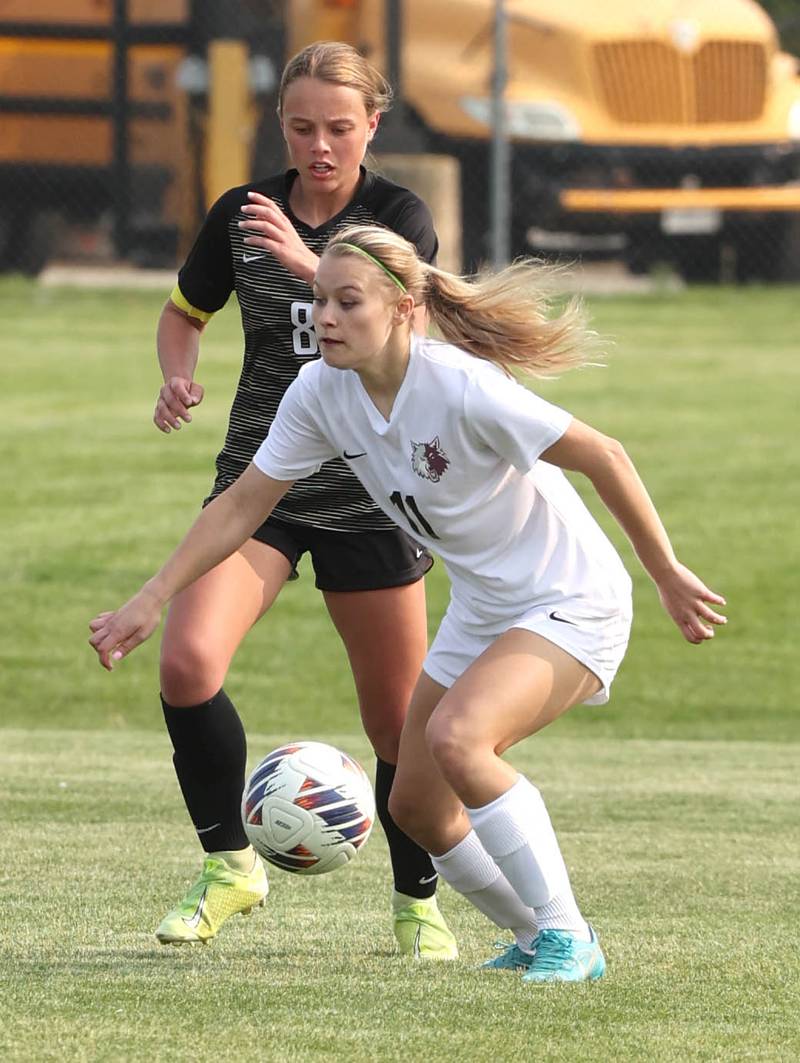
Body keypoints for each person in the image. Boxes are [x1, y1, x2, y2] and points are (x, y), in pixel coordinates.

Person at [90, 224, 726, 982]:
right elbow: (244, 503)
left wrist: (667, 572)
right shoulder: (322, 391)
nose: (324, 316)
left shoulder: (460, 384)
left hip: (571, 596)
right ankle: (533, 935)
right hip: (486, 608)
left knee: (461, 738)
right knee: (417, 803)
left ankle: (569, 935)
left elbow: (604, 453)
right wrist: (153, 595)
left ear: (402, 308)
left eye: (346, 301)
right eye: (318, 298)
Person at [145, 42, 457, 958]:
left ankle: (417, 902)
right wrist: (178, 372)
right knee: (187, 663)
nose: (320, 146)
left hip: (372, 493)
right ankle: (230, 867)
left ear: (372, 126)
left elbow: (412, 330)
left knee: (399, 723)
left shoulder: (397, 216)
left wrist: (308, 254)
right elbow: (183, 312)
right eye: (301, 127)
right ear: (279, 126)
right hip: (263, 485)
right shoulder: (239, 215)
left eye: (339, 128)